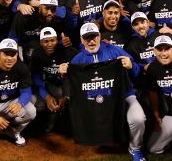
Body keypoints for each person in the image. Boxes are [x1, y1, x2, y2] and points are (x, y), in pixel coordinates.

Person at [60, 23, 146, 161]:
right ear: (81, 40)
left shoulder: (115, 50)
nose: (91, 41)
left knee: (138, 118)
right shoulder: (77, 60)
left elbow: (136, 72)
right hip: (96, 100)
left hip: (123, 95)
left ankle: (135, 148)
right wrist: (64, 74)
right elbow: (71, 87)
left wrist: (131, 66)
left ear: (99, 36)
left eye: (94, 36)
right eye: (87, 38)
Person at [30, 27, 77, 133]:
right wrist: (46, 96)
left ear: (57, 40)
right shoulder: (37, 54)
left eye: (52, 40)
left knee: (62, 96)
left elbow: (71, 75)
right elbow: (36, 77)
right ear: (41, 43)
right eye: (46, 41)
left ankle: (61, 124)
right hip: (49, 83)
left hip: (67, 84)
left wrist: (66, 95)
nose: (50, 44)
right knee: (40, 104)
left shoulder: (65, 51)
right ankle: (40, 126)